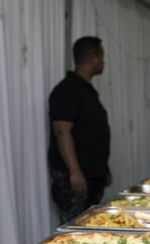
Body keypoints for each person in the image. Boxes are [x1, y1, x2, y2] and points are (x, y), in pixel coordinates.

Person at [48, 36, 111, 224]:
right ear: (93, 58)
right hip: (75, 181)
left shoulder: (86, 90)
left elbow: (91, 133)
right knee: (75, 231)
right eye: (101, 57)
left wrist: (103, 169)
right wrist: (75, 172)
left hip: (91, 177)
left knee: (92, 227)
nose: (103, 62)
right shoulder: (67, 90)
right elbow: (62, 131)